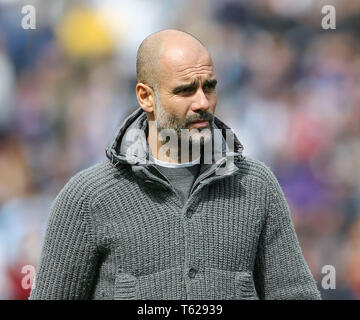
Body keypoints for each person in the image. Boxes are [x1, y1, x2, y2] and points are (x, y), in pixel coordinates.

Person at [29, 29, 321, 300]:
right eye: (185, 90)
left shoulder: (255, 186)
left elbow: (295, 293)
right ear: (146, 97)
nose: (202, 102)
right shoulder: (88, 197)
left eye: (209, 87)